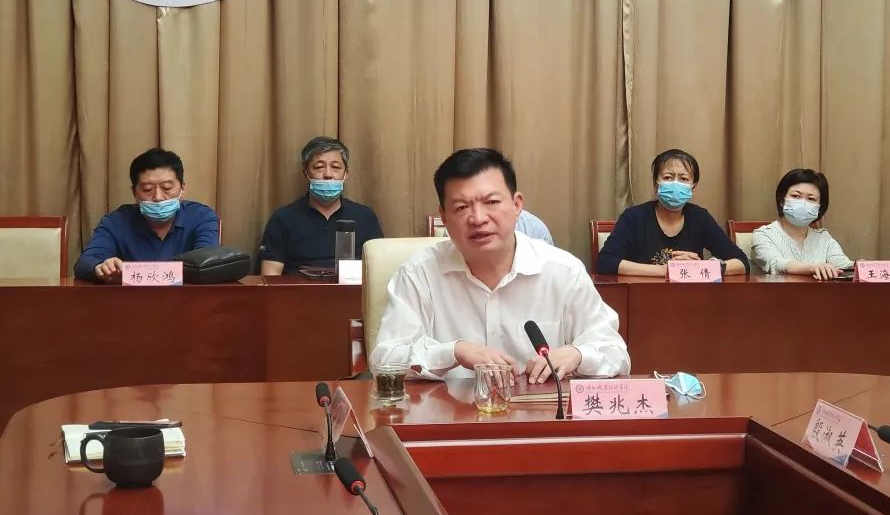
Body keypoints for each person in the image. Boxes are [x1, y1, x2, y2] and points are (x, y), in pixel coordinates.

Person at [370, 148, 629, 382]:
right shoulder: (419, 273)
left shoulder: (563, 271)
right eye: (461, 207)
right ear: (444, 218)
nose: (478, 218)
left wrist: (576, 354)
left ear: (517, 205)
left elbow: (615, 353)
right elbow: (385, 359)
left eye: (492, 202)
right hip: (449, 413)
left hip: (540, 413)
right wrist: (453, 352)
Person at [594, 148, 748, 276]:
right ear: (656, 184)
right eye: (668, 177)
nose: (676, 184)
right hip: (643, 295)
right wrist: (665, 270)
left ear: (693, 186)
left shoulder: (700, 217)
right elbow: (605, 262)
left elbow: (742, 262)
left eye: (684, 179)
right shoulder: (633, 217)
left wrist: (703, 267)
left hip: (690, 297)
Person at [74, 148, 219, 282]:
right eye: (147, 189)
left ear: (182, 188)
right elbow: (85, 263)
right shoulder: (116, 221)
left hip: (186, 299)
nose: (158, 197)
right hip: (131, 300)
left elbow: (207, 264)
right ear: (134, 193)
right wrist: (101, 267)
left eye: (167, 188)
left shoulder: (202, 217)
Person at [259, 136, 383, 275]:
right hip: (299, 288)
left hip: (351, 288)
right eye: (319, 167)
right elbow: (270, 277)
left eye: (335, 167)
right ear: (306, 173)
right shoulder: (282, 219)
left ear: (346, 174)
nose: (328, 174)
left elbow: (379, 272)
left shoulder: (365, 217)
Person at [751, 168, 853, 280]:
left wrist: (860, 266)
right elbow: (776, 263)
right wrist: (812, 268)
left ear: (819, 208)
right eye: (795, 196)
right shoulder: (764, 235)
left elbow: (843, 265)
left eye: (811, 199)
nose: (803, 203)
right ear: (782, 200)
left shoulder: (823, 238)